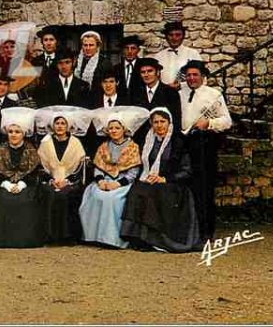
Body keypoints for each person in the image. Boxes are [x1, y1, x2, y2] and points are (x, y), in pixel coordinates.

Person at [120, 107, 201, 253]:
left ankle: (159, 240)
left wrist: (165, 178)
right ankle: (141, 239)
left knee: (155, 193)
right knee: (137, 190)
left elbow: (187, 171)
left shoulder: (179, 141)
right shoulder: (148, 139)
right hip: (150, 179)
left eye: (162, 121)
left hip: (173, 184)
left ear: (169, 122)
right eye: (155, 122)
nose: (159, 125)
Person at [78, 107, 147, 248]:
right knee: (95, 195)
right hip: (105, 181)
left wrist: (118, 184)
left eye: (117, 128)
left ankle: (112, 239)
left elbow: (133, 172)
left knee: (112, 199)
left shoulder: (132, 147)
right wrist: (100, 181)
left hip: (123, 183)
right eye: (111, 128)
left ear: (124, 129)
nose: (114, 131)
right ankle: (93, 237)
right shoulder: (103, 146)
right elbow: (98, 167)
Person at [180, 60, 232, 243]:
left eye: (195, 75)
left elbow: (227, 121)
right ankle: (188, 231)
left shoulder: (214, 95)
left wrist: (208, 123)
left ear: (203, 76)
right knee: (184, 186)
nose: (191, 78)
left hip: (203, 142)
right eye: (188, 75)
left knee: (203, 187)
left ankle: (206, 232)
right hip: (183, 142)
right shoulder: (180, 92)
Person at [0, 107, 48, 248]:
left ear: (24, 133)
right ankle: (4, 241)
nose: (14, 135)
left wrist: (22, 183)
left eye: (17, 132)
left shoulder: (31, 149)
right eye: (10, 132)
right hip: (5, 184)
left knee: (25, 200)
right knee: (5, 199)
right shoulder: (1, 149)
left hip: (27, 185)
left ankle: (27, 240)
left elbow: (34, 172)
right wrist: (7, 184)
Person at [36, 106, 92, 244]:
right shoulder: (46, 142)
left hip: (71, 181)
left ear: (68, 126)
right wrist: (51, 180)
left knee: (65, 194)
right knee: (49, 193)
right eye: (57, 123)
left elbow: (80, 166)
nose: (60, 126)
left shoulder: (76, 142)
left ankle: (67, 236)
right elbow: (41, 166)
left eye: (63, 123)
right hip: (50, 180)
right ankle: (49, 236)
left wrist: (67, 180)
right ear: (52, 125)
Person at [132, 57, 182, 136]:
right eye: (143, 72)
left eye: (150, 71)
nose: (146, 75)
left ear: (158, 72)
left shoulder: (170, 92)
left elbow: (176, 120)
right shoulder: (136, 93)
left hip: (164, 139)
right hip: (141, 139)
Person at [150, 21, 203, 90]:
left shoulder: (193, 54)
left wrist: (181, 85)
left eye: (178, 35)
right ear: (166, 37)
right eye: (171, 35)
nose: (174, 38)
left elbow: (201, 78)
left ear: (183, 36)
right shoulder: (159, 56)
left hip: (187, 94)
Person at [114, 35, 144, 102]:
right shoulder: (116, 69)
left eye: (133, 48)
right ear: (122, 50)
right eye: (126, 48)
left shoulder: (143, 67)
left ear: (138, 50)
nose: (129, 51)